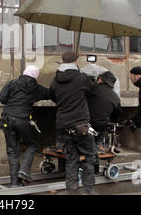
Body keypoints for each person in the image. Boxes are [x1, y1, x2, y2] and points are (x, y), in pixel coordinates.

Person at [50, 52, 96, 195]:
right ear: (75, 61)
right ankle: (88, 189)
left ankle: (72, 189)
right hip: (81, 125)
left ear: (63, 61)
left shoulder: (55, 80)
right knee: (90, 156)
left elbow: (53, 96)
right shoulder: (81, 78)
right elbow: (92, 89)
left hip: (64, 126)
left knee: (71, 158)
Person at [0, 65, 51, 187]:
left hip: (7, 119)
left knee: (12, 151)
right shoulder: (36, 88)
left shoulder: (13, 83)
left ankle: (15, 184)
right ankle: (24, 170)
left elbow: (2, 98)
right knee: (32, 144)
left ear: (24, 72)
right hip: (23, 120)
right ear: (35, 76)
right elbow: (50, 94)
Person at [87, 71, 122, 173]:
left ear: (100, 80)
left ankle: (89, 168)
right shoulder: (115, 97)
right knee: (96, 142)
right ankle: (95, 166)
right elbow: (117, 117)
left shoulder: (91, 89)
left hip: (85, 124)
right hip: (100, 127)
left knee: (86, 146)